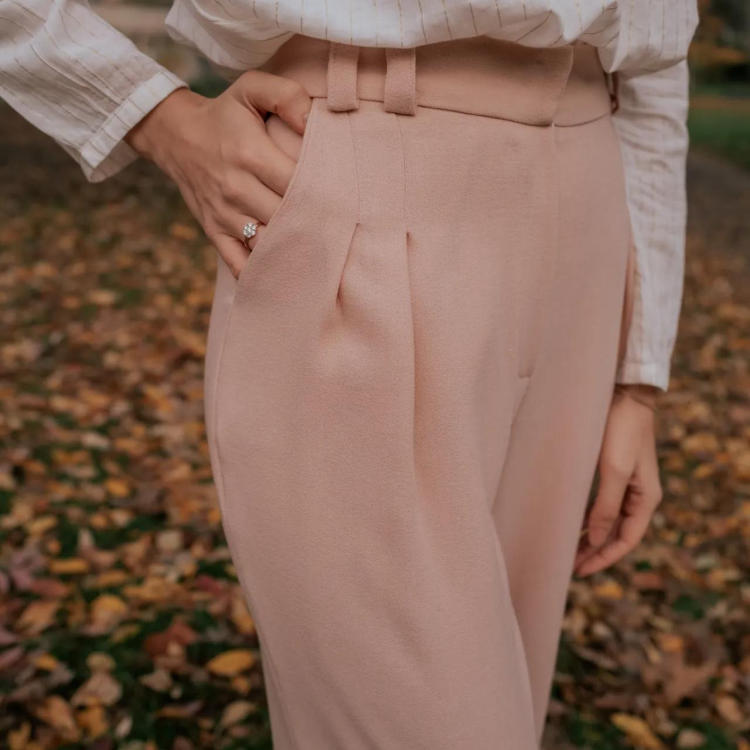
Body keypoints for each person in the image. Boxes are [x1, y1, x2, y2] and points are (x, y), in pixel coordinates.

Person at [0, 2, 699, 747]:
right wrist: (150, 113)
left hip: (591, 200)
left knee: (509, 707)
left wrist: (638, 376)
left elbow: (657, 71)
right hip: (365, 163)